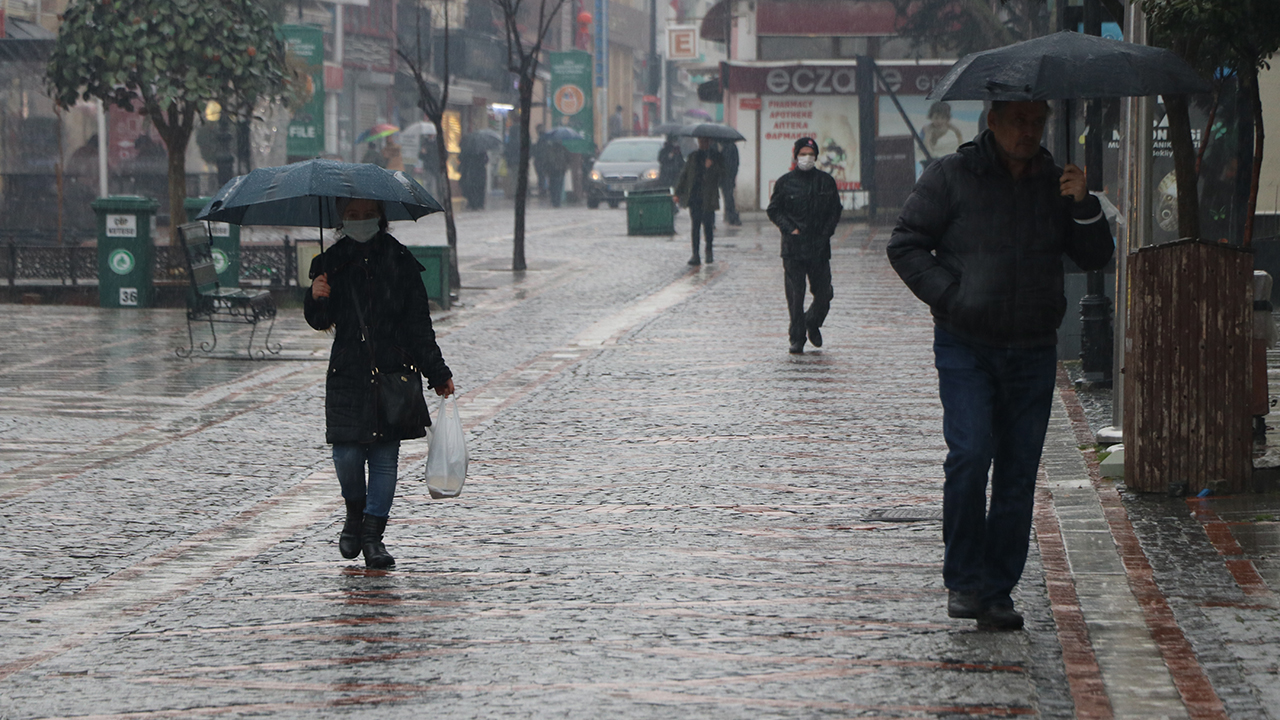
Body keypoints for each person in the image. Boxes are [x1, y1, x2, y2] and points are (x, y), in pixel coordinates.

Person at [886, 100, 1114, 630]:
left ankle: (996, 591)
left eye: (1036, 122)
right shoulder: (952, 175)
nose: (1027, 132)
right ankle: (964, 579)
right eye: (1017, 120)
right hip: (966, 344)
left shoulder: (1059, 185)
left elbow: (1094, 256)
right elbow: (906, 244)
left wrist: (1085, 205)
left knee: (1017, 475)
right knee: (970, 455)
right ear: (992, 120)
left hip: (1033, 348)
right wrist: (952, 297)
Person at [305, 198, 455, 569]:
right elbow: (320, 320)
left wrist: (438, 372)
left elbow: (419, 326)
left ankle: (373, 537)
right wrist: (314, 297)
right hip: (347, 374)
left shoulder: (400, 261)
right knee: (347, 455)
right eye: (352, 215)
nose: (360, 221)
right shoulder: (331, 262)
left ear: (380, 217)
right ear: (341, 220)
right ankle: (354, 514)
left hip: (393, 374)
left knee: (385, 461)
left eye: (367, 214)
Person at [767, 137, 843, 355]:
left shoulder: (826, 182)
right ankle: (797, 337)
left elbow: (835, 210)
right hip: (793, 248)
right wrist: (789, 228)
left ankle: (812, 321)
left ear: (816, 156)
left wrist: (826, 232)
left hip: (818, 247)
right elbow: (774, 210)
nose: (807, 158)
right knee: (795, 295)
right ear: (796, 156)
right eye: (803, 153)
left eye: (811, 154)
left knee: (824, 293)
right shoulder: (785, 183)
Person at [672, 136, 723, 266]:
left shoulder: (715, 156)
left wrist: (711, 167)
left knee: (708, 226)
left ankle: (709, 251)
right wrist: (678, 192)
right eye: (700, 140)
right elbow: (685, 174)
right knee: (695, 227)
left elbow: (722, 175)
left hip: (709, 197)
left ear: (709, 141)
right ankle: (695, 254)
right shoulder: (693, 156)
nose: (702, 143)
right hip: (695, 197)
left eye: (704, 140)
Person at [718, 139, 741, 225]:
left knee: (728, 197)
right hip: (727, 177)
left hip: (727, 177)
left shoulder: (728, 148)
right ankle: (730, 215)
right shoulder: (730, 147)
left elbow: (729, 163)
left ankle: (731, 216)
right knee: (728, 196)